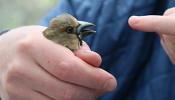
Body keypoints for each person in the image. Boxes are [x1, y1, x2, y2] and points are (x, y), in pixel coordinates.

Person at [1, 0, 175, 100]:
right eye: (71, 30)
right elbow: (30, 42)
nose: (81, 28)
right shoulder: (93, 6)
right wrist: (5, 49)